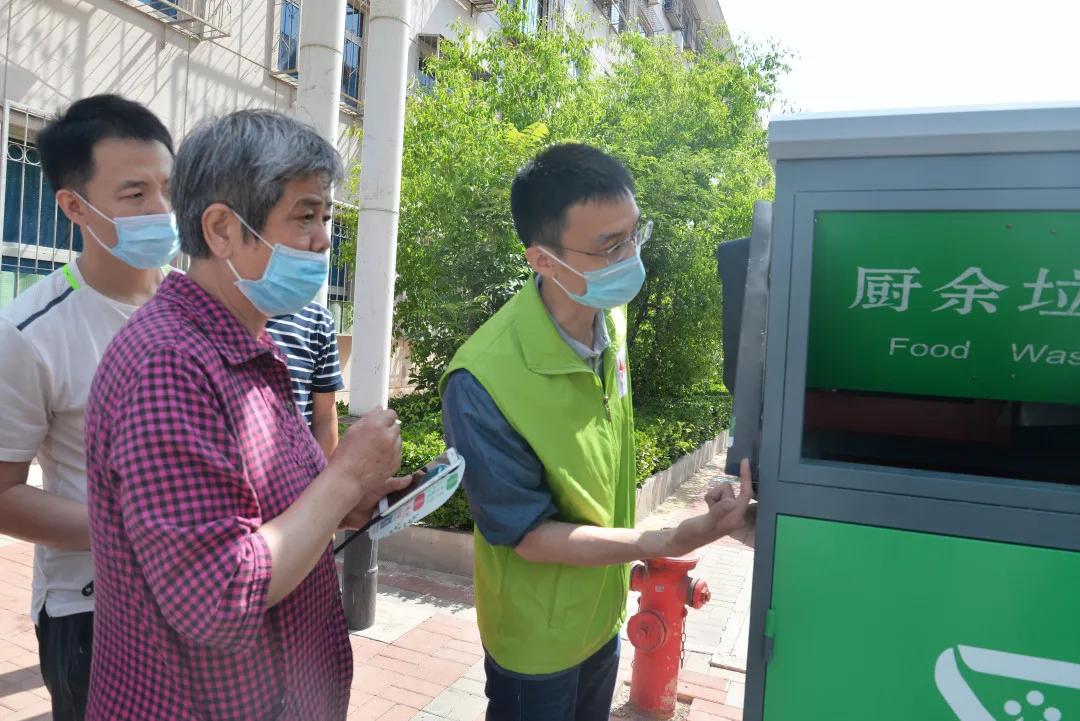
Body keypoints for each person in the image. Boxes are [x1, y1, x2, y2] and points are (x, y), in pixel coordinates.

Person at [83, 110, 408, 721]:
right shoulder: (169, 364)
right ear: (224, 228)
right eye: (305, 216)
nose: (323, 239)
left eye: (327, 217)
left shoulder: (251, 341)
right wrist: (341, 480)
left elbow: (260, 511)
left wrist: (352, 498)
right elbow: (219, 594)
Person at [440, 143, 755, 721]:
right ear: (543, 260)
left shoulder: (611, 320)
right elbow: (528, 534)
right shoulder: (482, 378)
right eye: (609, 246)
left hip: (603, 610)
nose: (630, 257)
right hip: (534, 640)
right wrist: (660, 541)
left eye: (634, 235)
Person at [0, 94, 177, 721]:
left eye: (166, 189)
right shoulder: (28, 332)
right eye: (134, 195)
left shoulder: (200, 307)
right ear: (75, 206)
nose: (160, 210)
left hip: (211, 592)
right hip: (97, 612)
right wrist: (138, 532)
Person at [266, 300, 345, 457]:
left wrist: (325, 479)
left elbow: (324, 418)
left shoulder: (318, 320)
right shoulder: (223, 311)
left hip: (301, 473)